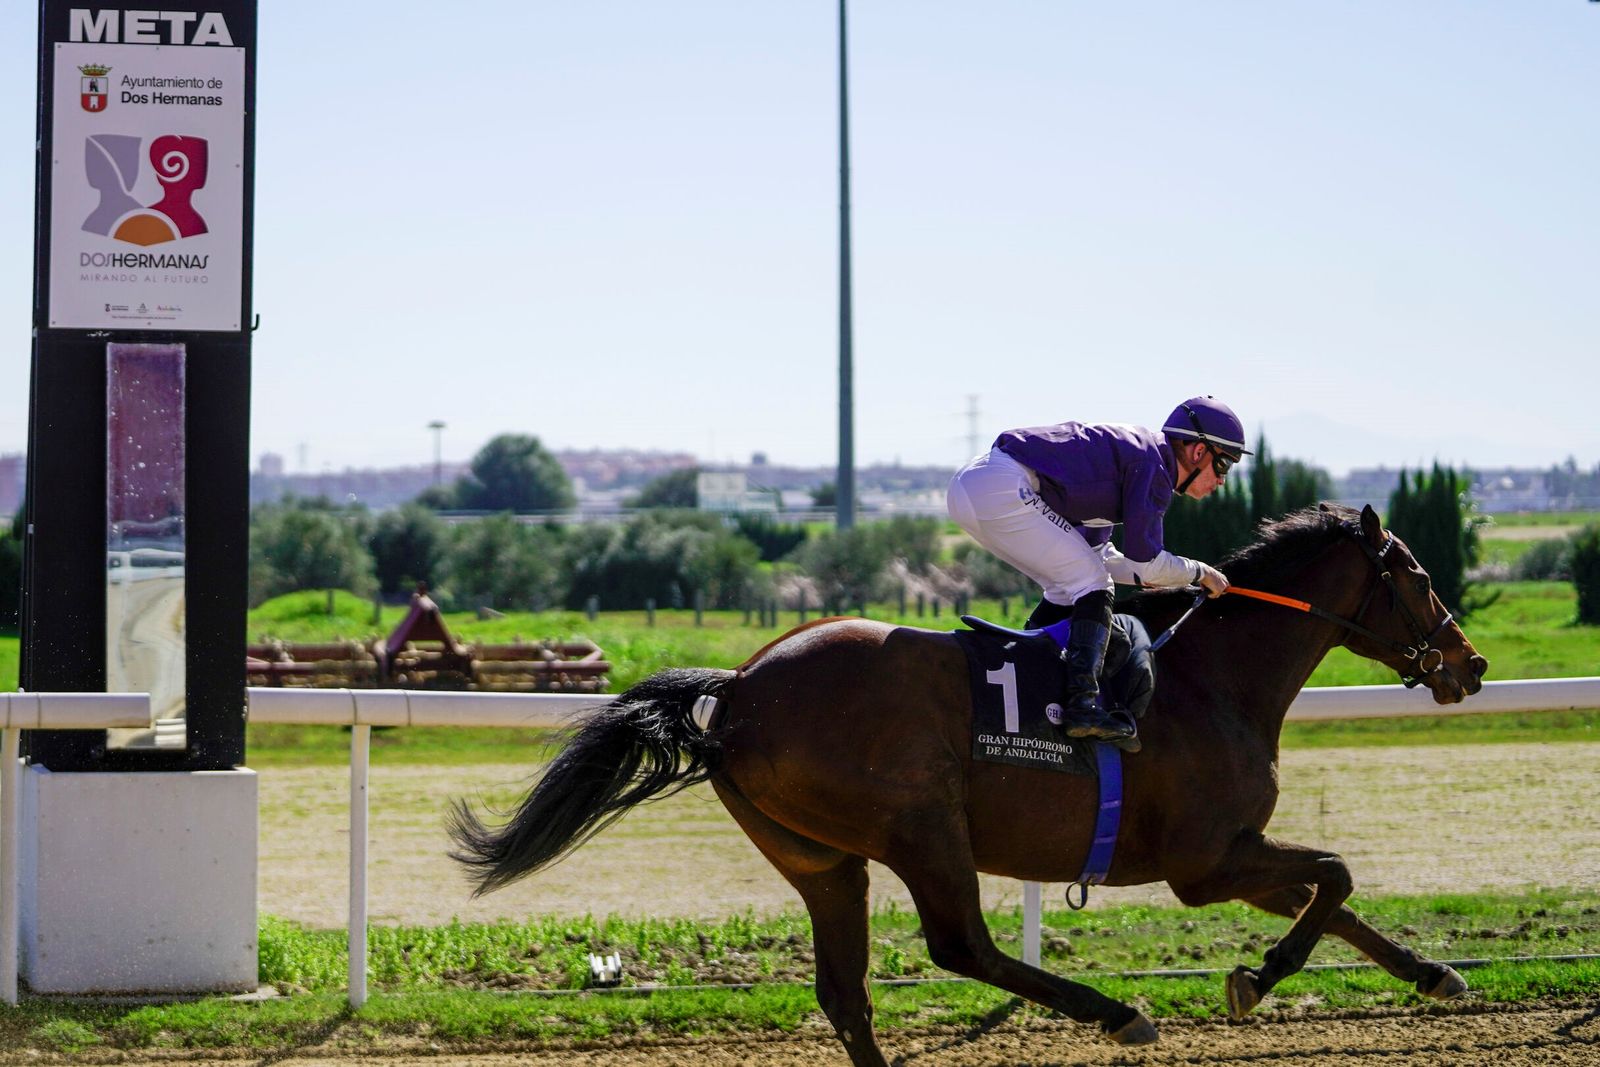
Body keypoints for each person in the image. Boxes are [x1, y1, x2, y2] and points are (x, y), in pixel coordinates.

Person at [947, 396, 1247, 742]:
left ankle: (1030, 678)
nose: (1222, 481)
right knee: (1091, 583)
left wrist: (1164, 573)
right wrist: (1200, 572)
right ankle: (1081, 707)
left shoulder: (1137, 458)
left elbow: (1107, 557)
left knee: (1071, 585)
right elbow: (1147, 565)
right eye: (1223, 465)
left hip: (979, 486)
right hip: (1000, 486)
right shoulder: (1153, 465)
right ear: (1197, 451)